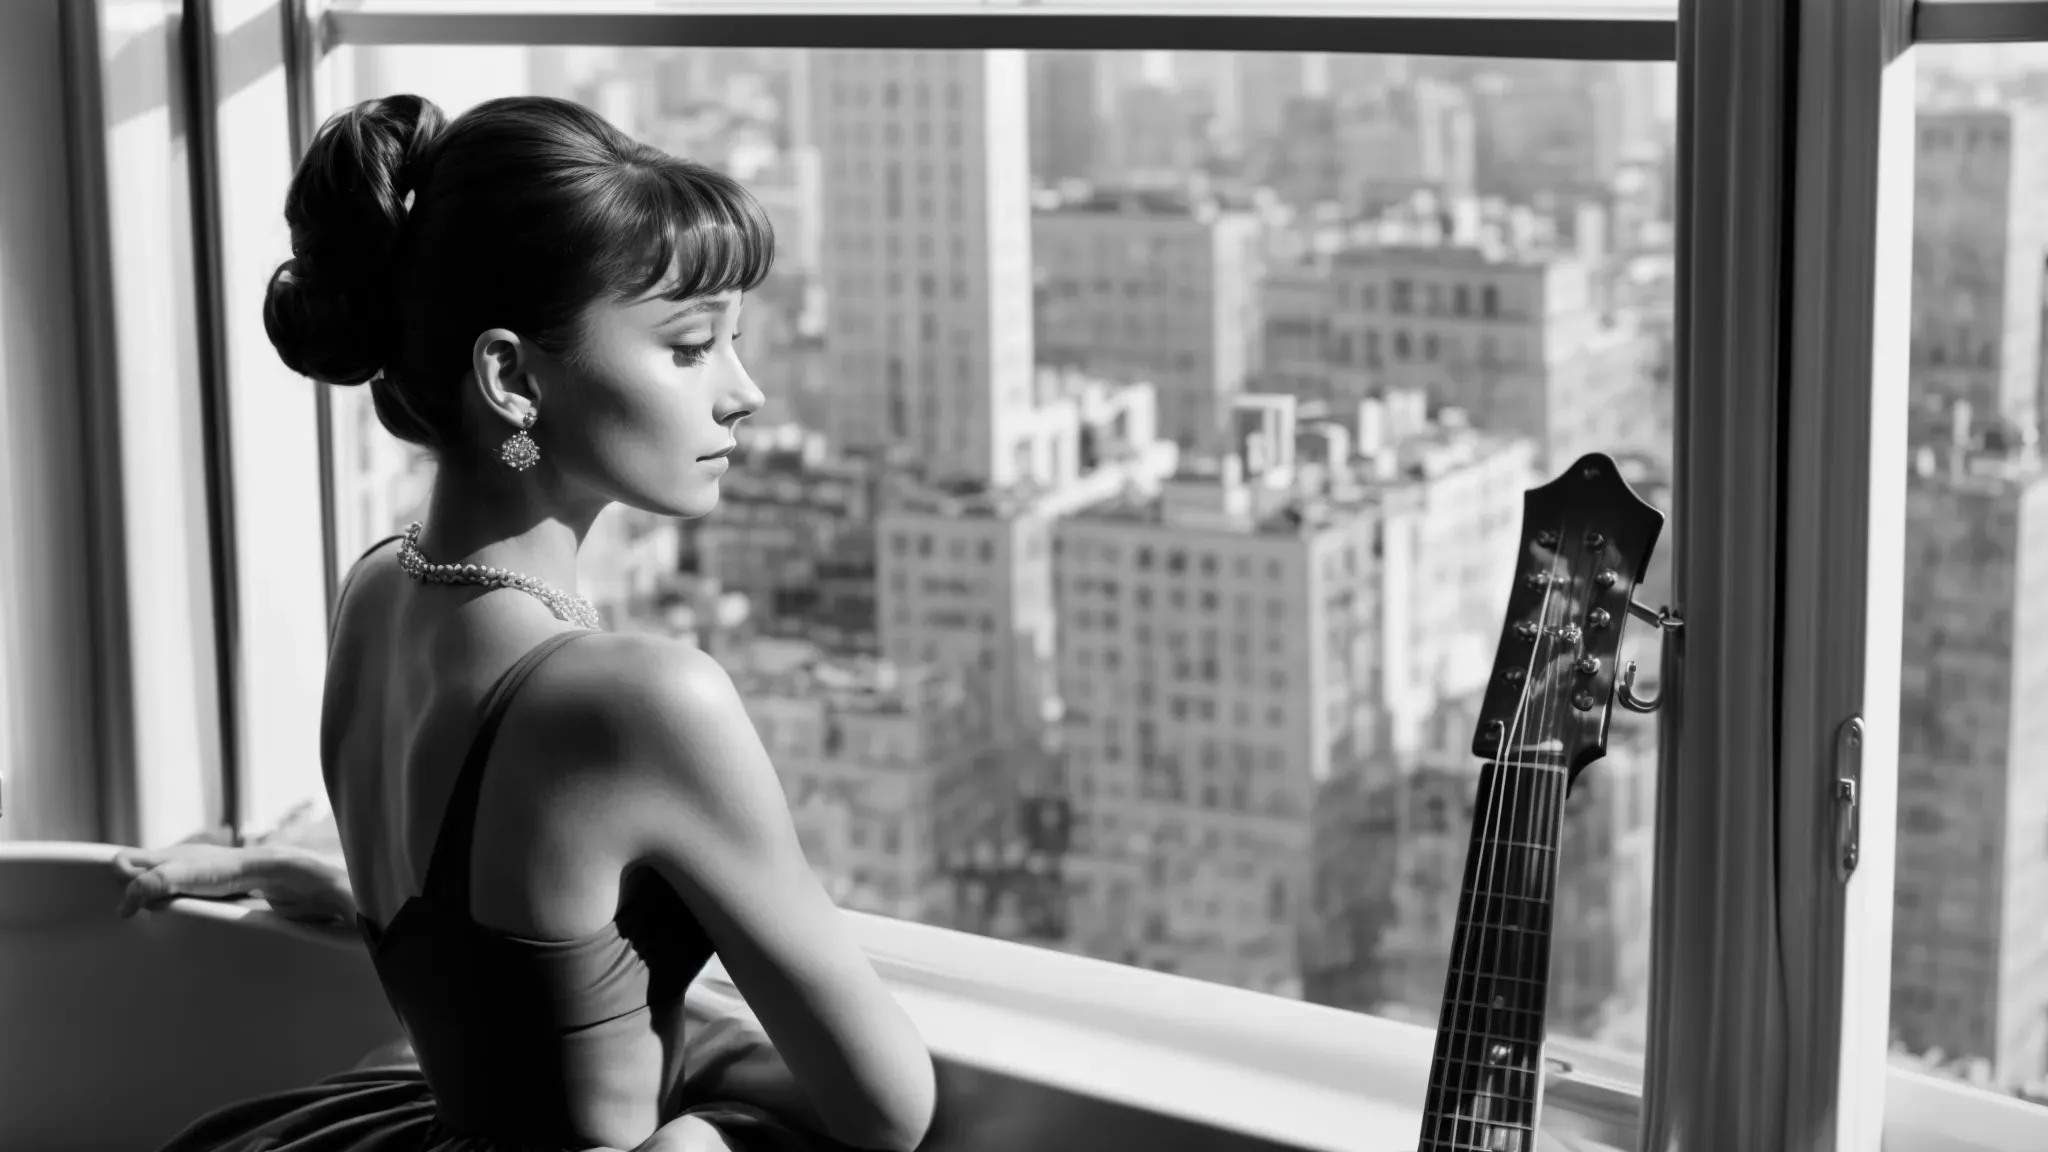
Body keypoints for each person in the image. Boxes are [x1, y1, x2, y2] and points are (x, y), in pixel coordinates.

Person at [112, 93, 936, 1152]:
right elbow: (886, 1109)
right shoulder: (638, 701)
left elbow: (487, 957)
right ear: (509, 375)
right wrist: (708, 1037)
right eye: (690, 348)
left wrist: (310, 881)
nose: (746, 393)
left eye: (735, 342)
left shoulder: (376, 593)